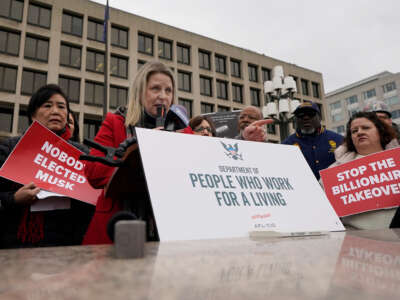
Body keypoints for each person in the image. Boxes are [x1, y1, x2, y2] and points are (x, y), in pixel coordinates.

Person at [83, 61, 181, 245]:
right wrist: (139, 148)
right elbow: (93, 174)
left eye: (168, 90)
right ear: (140, 92)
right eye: (155, 89)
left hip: (165, 231)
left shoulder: (182, 131)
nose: (163, 96)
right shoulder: (115, 123)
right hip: (117, 227)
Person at [0, 84, 93, 248]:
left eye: (61, 107)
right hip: (17, 246)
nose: (55, 111)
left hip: (68, 245)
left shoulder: (83, 154)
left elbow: (93, 202)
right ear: (33, 115)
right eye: (47, 106)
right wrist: (14, 199)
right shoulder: (9, 149)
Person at [325, 111, 399, 229]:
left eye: (366, 128)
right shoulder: (335, 171)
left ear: (380, 131)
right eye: (354, 131)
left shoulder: (397, 161)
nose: (360, 132)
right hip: (355, 241)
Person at [282, 101, 343, 180]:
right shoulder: (286, 145)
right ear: (295, 120)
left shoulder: (339, 140)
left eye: (311, 114)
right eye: (300, 115)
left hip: (333, 188)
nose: (306, 118)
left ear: (320, 118)